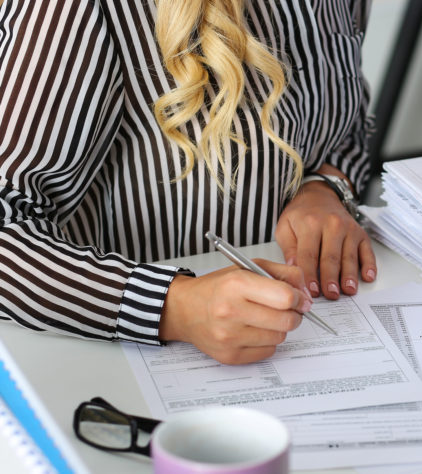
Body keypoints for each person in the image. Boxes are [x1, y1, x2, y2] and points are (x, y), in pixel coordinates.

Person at [0, 0, 376, 365]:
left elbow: (349, 124)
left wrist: (325, 187)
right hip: (126, 366)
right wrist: (175, 307)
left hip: (289, 346)